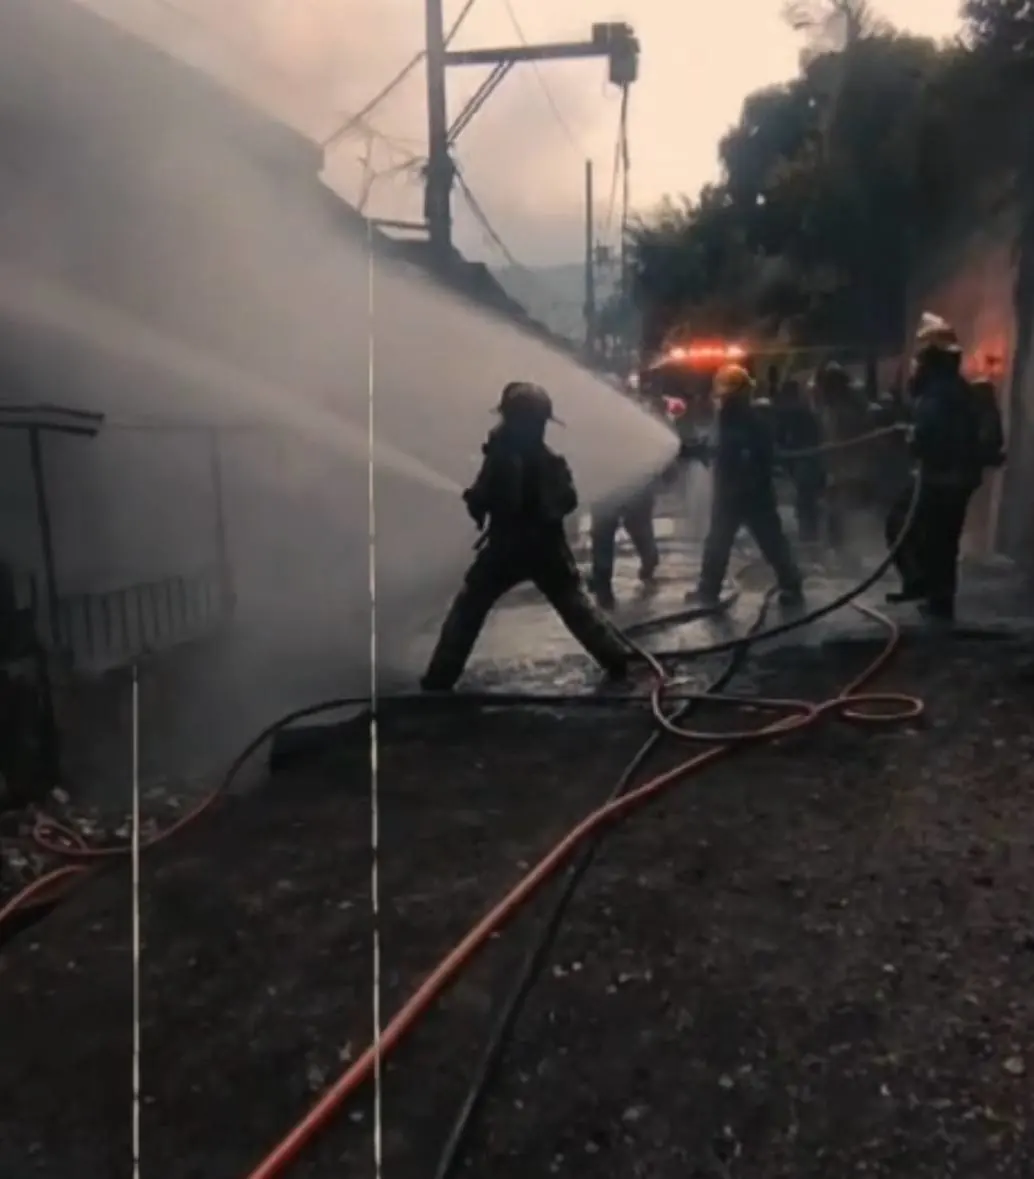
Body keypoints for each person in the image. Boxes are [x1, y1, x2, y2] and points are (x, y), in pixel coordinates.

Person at [421, 382, 630, 690]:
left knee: (470, 608)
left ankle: (440, 678)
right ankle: (615, 659)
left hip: (507, 548)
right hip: (546, 548)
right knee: (574, 606)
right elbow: (566, 500)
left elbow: (491, 494)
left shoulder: (504, 454)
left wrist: (478, 501)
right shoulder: (546, 460)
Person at [884, 313, 1001, 621]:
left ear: (930, 359)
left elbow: (928, 438)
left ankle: (919, 583)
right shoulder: (956, 389)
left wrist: (912, 438)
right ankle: (939, 603)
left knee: (900, 523)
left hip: (939, 478)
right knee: (944, 541)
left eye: (921, 357)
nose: (917, 364)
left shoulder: (937, 394)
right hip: (960, 479)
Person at [686, 364, 804, 607]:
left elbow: (745, 452)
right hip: (737, 493)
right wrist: (698, 449)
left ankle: (791, 584)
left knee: (768, 541)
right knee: (721, 542)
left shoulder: (747, 421)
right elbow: (719, 447)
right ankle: (709, 589)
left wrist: (719, 456)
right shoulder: (730, 420)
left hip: (750, 494)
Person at [811, 362, 874, 554]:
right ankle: (840, 548)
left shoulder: (843, 410)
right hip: (842, 468)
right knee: (836, 510)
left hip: (847, 468)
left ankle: (842, 549)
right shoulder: (837, 408)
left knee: (840, 510)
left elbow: (841, 438)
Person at [587, 481, 660, 609]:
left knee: (605, 532)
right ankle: (603, 584)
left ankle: (602, 584)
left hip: (615, 485)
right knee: (637, 528)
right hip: (628, 484)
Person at [774, 377, 825, 543]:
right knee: (807, 500)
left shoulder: (793, 412)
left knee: (806, 500)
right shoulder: (803, 411)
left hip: (805, 459)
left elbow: (781, 436)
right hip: (805, 459)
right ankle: (810, 534)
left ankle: (809, 535)